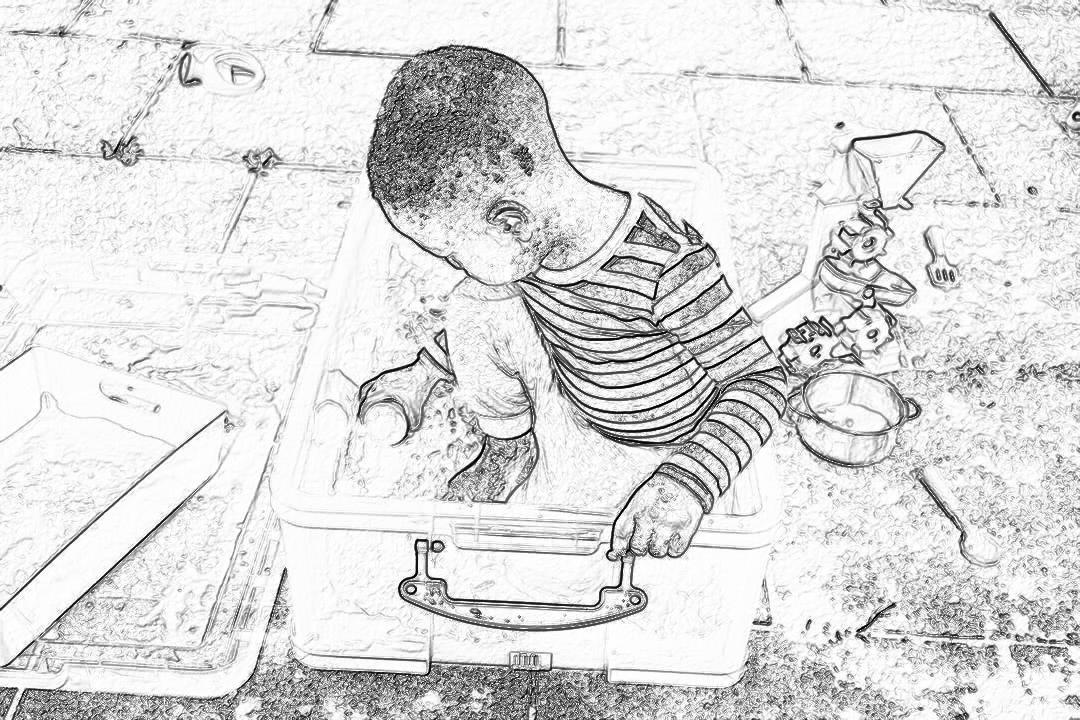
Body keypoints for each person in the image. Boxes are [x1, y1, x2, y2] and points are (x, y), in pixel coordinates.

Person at [361, 45, 787, 559]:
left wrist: (687, 482)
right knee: (474, 300)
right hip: (577, 395)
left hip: (672, 438)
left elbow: (762, 381)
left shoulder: (668, 265)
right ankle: (509, 447)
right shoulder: (531, 244)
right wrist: (425, 372)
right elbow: (489, 315)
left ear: (511, 222)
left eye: (453, 252)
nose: (454, 264)